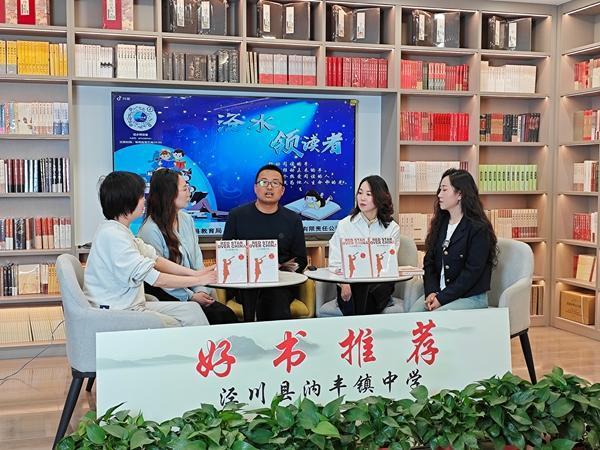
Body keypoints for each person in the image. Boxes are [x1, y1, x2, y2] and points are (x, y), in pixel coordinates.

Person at [84, 171, 216, 327]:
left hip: (132, 304)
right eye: (141, 196)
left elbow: (155, 259)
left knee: (192, 311)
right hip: (118, 311)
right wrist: (199, 280)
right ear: (127, 201)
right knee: (177, 325)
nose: (145, 200)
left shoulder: (120, 231)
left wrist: (196, 274)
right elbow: (157, 279)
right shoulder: (113, 236)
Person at [138, 169, 238, 325]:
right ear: (169, 194)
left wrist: (200, 289)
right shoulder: (150, 230)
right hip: (168, 293)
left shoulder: (186, 219)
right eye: (184, 189)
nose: (189, 193)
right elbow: (160, 276)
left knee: (225, 314)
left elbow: (197, 260)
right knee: (221, 316)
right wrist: (190, 296)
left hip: (193, 287)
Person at [223, 164, 308, 321]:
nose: (269, 187)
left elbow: (301, 260)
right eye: (264, 182)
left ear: (282, 190)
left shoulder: (293, 219)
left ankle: (274, 336)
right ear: (255, 188)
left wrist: (279, 269)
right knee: (251, 294)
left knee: (274, 297)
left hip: (280, 283)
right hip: (246, 284)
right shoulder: (237, 216)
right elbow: (226, 254)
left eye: (275, 183)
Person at [408, 168, 497, 313]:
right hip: (439, 294)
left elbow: (471, 273)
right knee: (412, 316)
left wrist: (441, 299)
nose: (439, 194)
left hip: (470, 297)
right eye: (440, 189)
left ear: (460, 194)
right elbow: (429, 262)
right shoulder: (440, 224)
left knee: (438, 317)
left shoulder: (479, 228)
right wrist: (431, 292)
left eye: (444, 190)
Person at [328, 175, 400, 315]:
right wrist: (344, 284)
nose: (362, 198)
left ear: (380, 197)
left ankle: (356, 326)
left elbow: (388, 264)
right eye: (360, 193)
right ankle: (363, 326)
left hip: (380, 283)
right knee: (358, 290)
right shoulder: (344, 225)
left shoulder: (392, 228)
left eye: (368, 194)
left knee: (368, 290)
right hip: (349, 283)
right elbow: (335, 261)